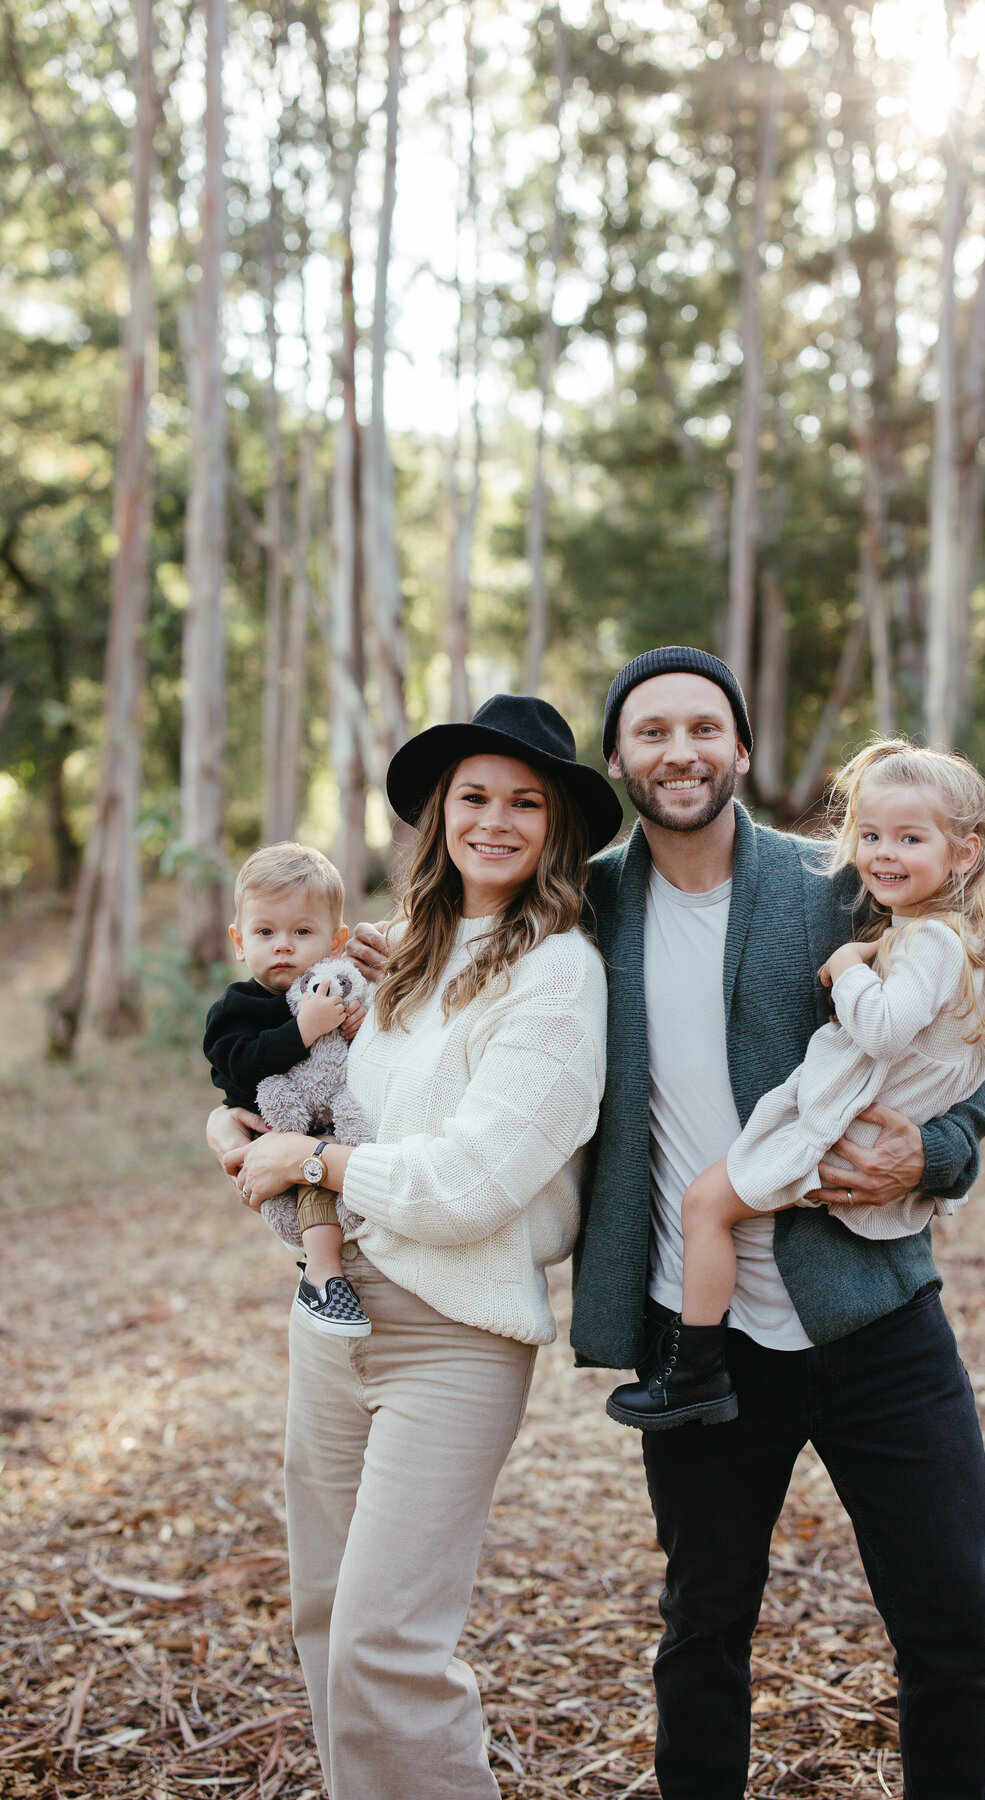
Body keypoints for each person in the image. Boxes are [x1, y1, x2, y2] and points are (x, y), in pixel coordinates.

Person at [564, 646, 985, 1800]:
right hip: (700, 1343)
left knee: (951, 1623)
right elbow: (462, 962)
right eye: (650, 731)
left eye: (703, 727)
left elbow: (974, 1033)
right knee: (702, 1629)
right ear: (618, 758)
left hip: (876, 1319)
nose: (680, 751)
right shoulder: (590, 907)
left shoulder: (843, 882)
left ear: (743, 751)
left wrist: (938, 1151)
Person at [206, 694, 623, 1800]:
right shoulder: (402, 957)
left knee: (386, 1649)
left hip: (454, 1335)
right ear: (438, 814)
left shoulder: (560, 975)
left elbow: (472, 1183)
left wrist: (308, 1168)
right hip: (331, 1317)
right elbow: (317, 1098)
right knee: (324, 1619)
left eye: (524, 803)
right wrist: (238, 1128)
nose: (495, 820)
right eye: (474, 797)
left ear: (556, 829)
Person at [606, 735, 985, 1430]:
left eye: (910, 838)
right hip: (839, 1137)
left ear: (965, 852)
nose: (883, 853)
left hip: (840, 1157)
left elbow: (902, 1040)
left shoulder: (919, 936)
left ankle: (693, 1370)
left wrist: (848, 968)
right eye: (872, 834)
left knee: (706, 1204)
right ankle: (703, 1361)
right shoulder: (961, 940)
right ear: (617, 757)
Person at [203, 842, 371, 1336]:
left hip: (331, 1121)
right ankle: (322, 1276)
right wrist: (303, 1030)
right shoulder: (236, 1007)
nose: (283, 945)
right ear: (238, 941)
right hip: (279, 1132)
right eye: (265, 931)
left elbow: (351, 1059)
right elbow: (238, 1069)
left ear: (335, 941)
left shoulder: (333, 987)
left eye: (302, 931)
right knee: (312, 1181)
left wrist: (354, 1024)